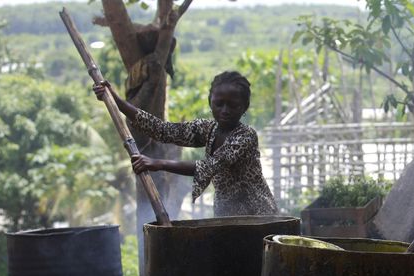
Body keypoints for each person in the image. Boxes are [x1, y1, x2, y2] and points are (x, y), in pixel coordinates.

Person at [93, 71, 278, 217]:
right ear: (210, 102)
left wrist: (159, 163)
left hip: (257, 217)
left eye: (233, 105)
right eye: (219, 104)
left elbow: (210, 165)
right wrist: (117, 101)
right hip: (227, 216)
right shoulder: (208, 129)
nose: (224, 111)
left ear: (244, 107)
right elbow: (163, 130)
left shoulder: (246, 136)